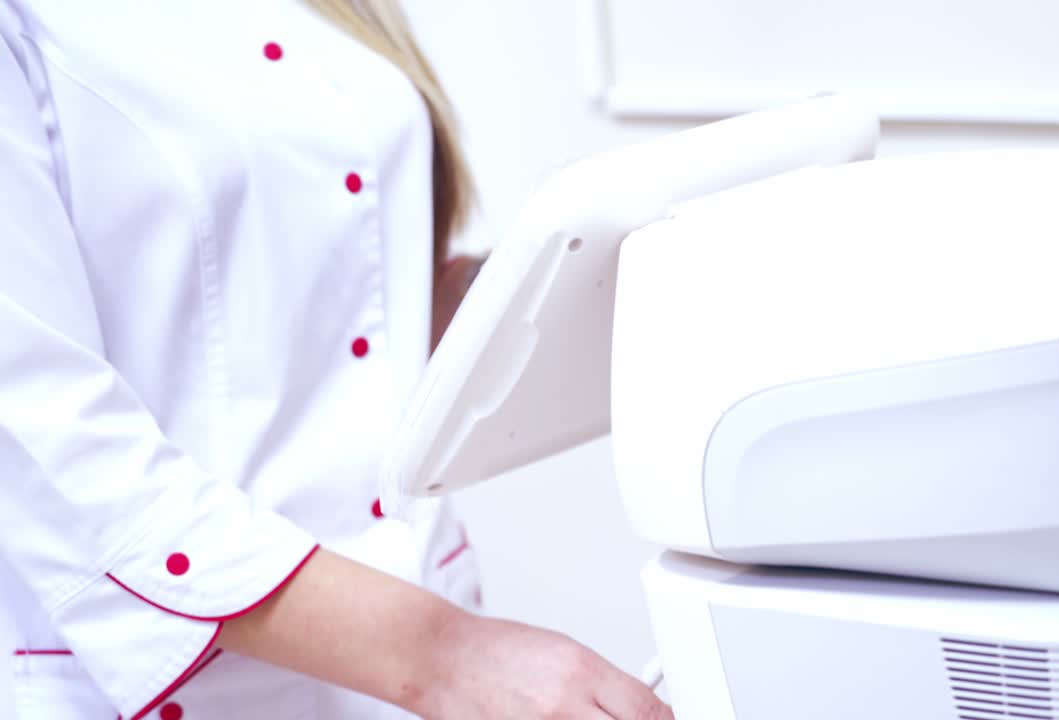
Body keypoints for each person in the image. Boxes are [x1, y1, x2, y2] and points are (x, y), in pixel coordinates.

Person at [0, 1, 674, 718]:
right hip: (208, 681)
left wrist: (580, 263)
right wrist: (445, 656)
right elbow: (42, 434)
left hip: (420, 640)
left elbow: (355, 322)